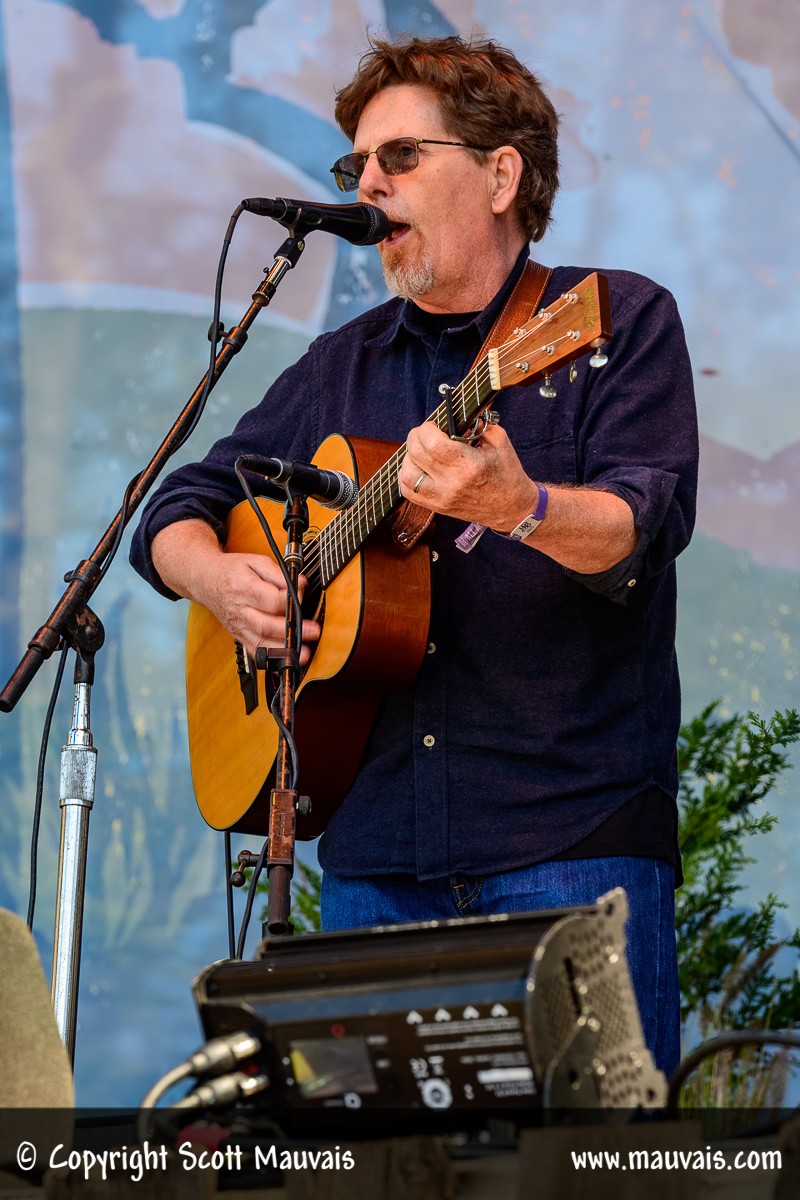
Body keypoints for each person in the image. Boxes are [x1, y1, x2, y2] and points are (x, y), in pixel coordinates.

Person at [129, 35, 698, 1078]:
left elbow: (641, 529)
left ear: (500, 175)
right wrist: (219, 580)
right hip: (374, 859)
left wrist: (519, 505)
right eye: (356, 166)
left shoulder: (610, 321)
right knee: (379, 1156)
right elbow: (178, 503)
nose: (367, 186)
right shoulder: (337, 367)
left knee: (590, 1158)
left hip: (567, 845)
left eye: (398, 157)